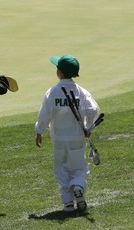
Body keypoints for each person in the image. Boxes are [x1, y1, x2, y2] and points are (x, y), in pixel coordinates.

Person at [35, 54, 100, 212]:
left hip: (58, 139)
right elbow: (93, 109)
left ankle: (68, 203)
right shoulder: (82, 92)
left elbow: (45, 115)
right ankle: (78, 186)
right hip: (77, 137)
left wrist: (39, 131)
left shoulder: (52, 92)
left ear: (60, 72)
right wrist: (87, 127)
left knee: (61, 170)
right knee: (79, 168)